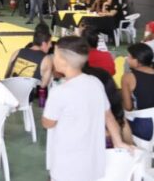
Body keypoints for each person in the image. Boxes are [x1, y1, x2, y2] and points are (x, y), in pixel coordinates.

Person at [42, 36, 129, 181]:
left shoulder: (59, 92)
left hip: (66, 165)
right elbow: (108, 117)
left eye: (55, 55)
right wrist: (118, 142)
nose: (53, 58)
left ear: (63, 61)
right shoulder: (95, 82)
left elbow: (48, 123)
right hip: (92, 162)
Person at [121, 42, 154, 140]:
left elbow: (128, 107)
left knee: (117, 118)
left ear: (137, 60)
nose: (127, 59)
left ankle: (131, 150)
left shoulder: (128, 77)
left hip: (147, 128)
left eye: (129, 57)